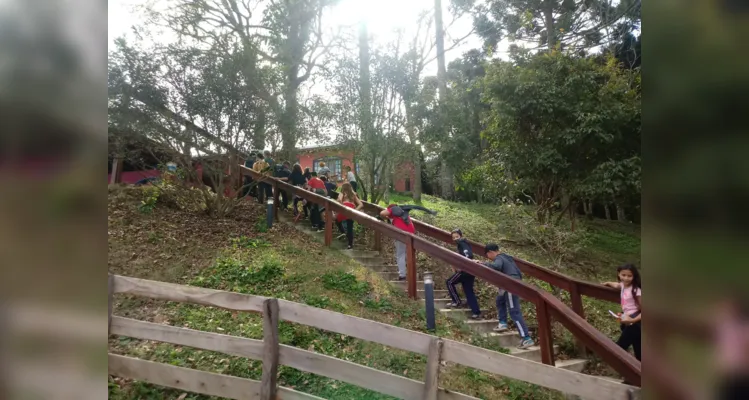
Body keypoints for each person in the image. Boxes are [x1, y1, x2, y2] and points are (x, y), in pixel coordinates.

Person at [481, 243, 535, 349]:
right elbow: (518, 272)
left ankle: (526, 338)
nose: (488, 257)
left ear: (491, 252)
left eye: (487, 255)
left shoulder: (499, 258)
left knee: (514, 311)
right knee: (500, 300)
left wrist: (483, 263)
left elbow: (496, 267)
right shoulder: (507, 258)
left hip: (510, 284)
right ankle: (502, 323)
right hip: (509, 283)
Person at [602, 264, 642, 361]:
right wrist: (607, 283)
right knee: (638, 348)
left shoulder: (636, 290)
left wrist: (633, 319)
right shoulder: (623, 285)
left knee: (620, 346)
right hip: (627, 318)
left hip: (635, 322)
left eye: (629, 276)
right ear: (619, 274)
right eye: (623, 275)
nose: (626, 278)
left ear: (634, 276)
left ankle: (617, 365)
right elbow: (617, 285)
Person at [445, 229, 481, 319]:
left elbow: (468, 255)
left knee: (449, 282)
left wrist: (462, 265)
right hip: (471, 270)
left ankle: (457, 302)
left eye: (457, 236)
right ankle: (476, 312)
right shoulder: (465, 243)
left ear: (461, 236)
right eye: (453, 237)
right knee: (468, 291)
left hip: (465, 270)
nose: (455, 239)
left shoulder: (462, 243)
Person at [379, 204, 416, 281]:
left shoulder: (392, 209)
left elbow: (382, 213)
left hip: (402, 234)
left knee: (400, 254)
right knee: (408, 255)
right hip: (411, 233)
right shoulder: (403, 212)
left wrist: (385, 216)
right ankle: (412, 275)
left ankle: (402, 275)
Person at [336, 182, 363, 249]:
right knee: (350, 227)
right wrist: (355, 210)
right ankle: (350, 244)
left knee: (337, 220)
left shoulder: (342, 193)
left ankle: (343, 232)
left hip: (344, 209)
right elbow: (361, 204)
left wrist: (341, 204)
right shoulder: (353, 195)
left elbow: (339, 200)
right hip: (351, 210)